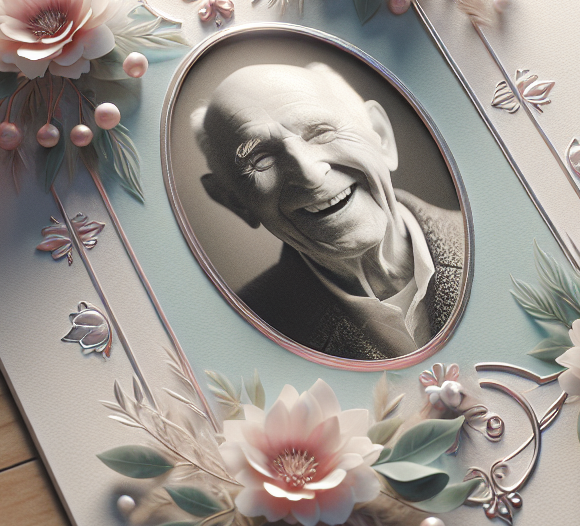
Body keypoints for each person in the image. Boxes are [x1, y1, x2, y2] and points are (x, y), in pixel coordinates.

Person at [192, 61, 464, 361]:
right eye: (260, 158)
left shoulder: (508, 237)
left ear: (380, 137)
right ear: (235, 200)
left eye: (321, 132)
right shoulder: (237, 343)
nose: (310, 174)